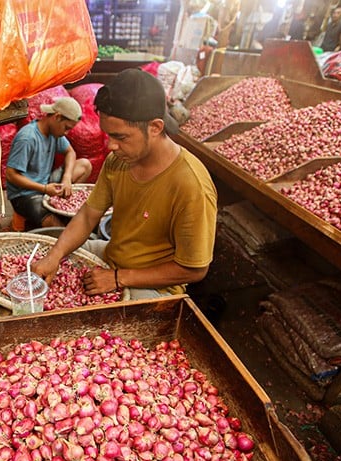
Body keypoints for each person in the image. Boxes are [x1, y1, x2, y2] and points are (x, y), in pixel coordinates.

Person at [32, 69, 218, 300]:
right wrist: (55, 255)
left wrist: (119, 278)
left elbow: (196, 269)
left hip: (153, 286)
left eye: (120, 137)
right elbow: (89, 215)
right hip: (112, 256)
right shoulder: (118, 161)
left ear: (155, 127)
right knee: (46, 256)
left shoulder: (191, 185)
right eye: (108, 135)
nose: (110, 146)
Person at [5, 97, 92, 229]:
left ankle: (56, 208)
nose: (66, 133)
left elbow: (71, 152)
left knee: (84, 165)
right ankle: (27, 219)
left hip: (46, 185)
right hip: (25, 194)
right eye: (66, 128)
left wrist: (67, 179)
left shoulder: (54, 133)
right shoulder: (27, 138)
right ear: (57, 117)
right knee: (57, 228)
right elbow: (11, 175)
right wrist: (45, 189)